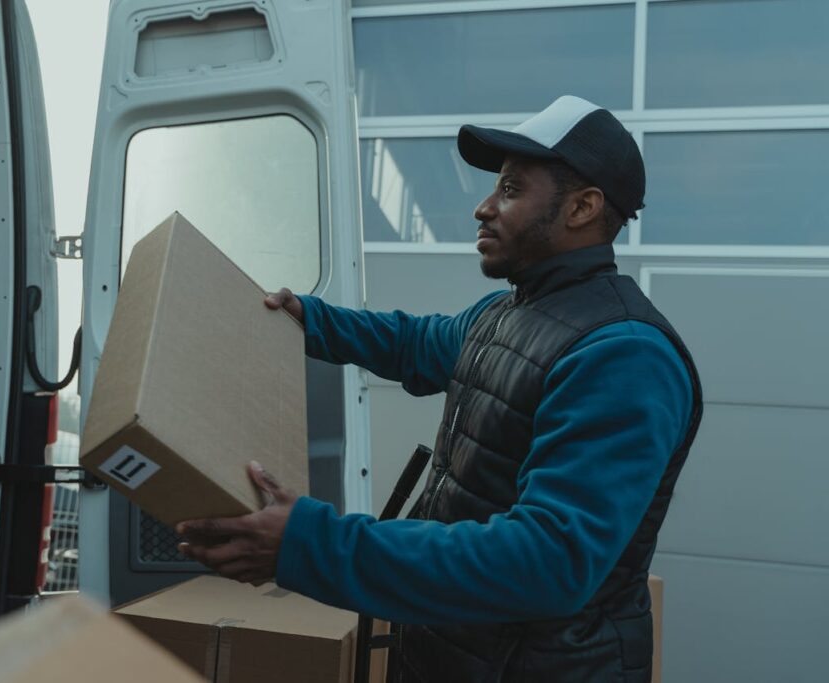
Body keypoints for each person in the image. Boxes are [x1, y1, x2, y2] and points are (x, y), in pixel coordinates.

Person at [177, 95, 703, 682]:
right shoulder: (507, 313)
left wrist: (312, 544)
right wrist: (311, 318)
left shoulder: (622, 354)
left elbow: (545, 562)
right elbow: (415, 344)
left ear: (582, 208)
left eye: (509, 189)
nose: (483, 208)